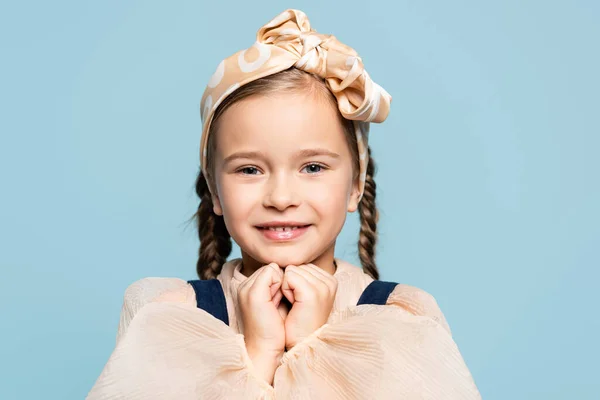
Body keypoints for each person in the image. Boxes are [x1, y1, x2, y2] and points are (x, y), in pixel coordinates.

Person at [87, 9, 481, 399]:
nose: (281, 198)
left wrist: (313, 346)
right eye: (249, 170)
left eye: (312, 167)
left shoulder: (401, 321)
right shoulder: (171, 317)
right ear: (215, 189)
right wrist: (259, 355)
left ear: (355, 184)